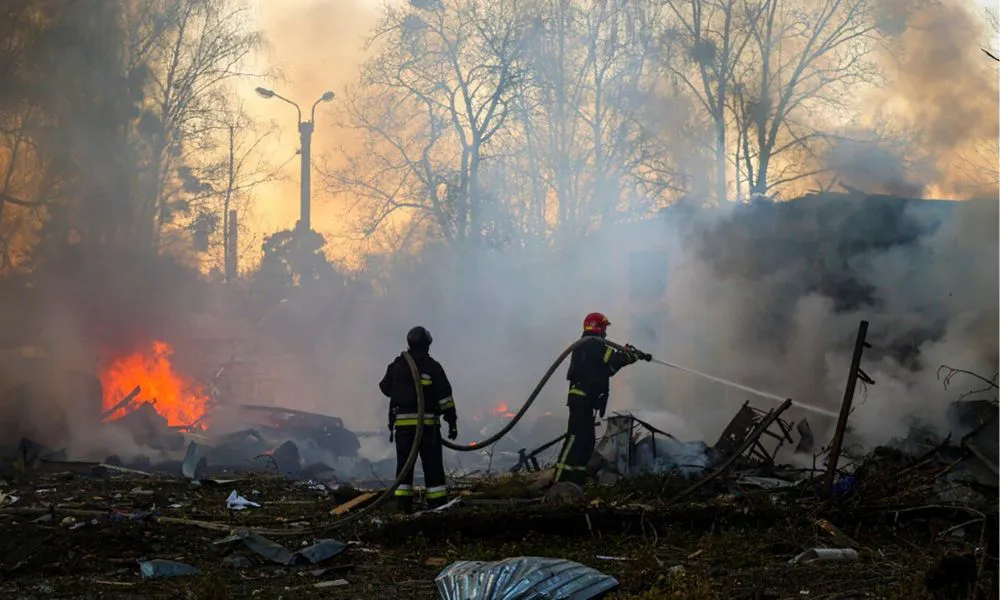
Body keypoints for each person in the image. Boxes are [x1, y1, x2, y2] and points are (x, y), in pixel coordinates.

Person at [554, 312, 650, 485]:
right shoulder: (592, 343)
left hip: (586, 400)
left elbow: (608, 369)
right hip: (581, 399)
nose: (606, 331)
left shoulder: (592, 346)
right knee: (576, 437)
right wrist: (630, 356)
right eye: (604, 327)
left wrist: (629, 357)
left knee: (587, 439)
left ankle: (576, 480)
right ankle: (561, 479)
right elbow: (613, 357)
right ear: (597, 327)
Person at [379, 326, 458, 513]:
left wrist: (403, 394)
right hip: (427, 429)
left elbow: (384, 387)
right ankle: (438, 506)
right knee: (433, 467)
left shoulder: (396, 366)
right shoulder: (432, 367)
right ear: (427, 345)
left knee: (404, 468)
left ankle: (403, 506)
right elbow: (445, 398)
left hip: (404, 429)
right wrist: (452, 422)